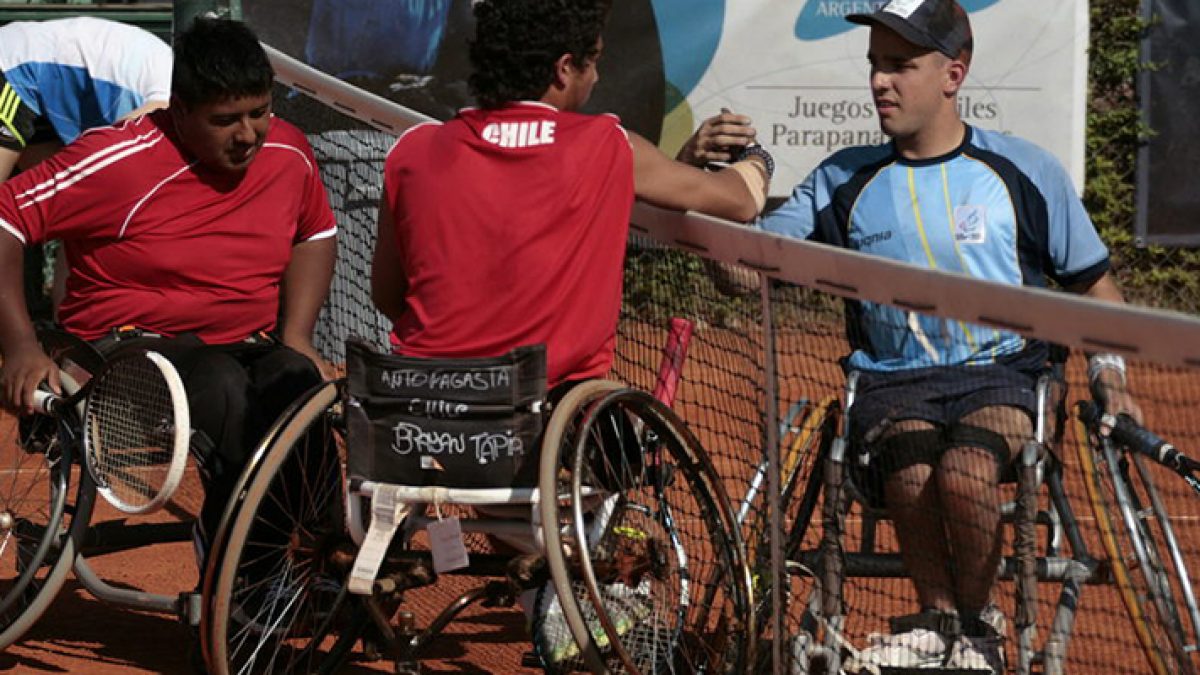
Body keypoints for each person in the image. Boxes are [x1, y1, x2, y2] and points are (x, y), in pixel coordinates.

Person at [737, 0, 1140, 671]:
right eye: (874, 66)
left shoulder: (1025, 171)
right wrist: (706, 202)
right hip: (893, 384)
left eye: (900, 65)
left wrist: (1111, 376)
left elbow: (1095, 287)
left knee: (963, 472)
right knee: (914, 463)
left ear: (954, 73)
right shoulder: (842, 179)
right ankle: (940, 623)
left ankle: (973, 631)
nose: (879, 82)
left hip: (1006, 375)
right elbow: (747, 271)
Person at [370, 0, 770, 667]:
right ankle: (566, 594)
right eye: (592, 64)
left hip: (422, 428)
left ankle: (543, 592)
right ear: (563, 69)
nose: (594, 78)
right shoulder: (605, 144)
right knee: (607, 432)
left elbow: (390, 296)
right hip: (548, 431)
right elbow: (741, 199)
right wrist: (753, 156)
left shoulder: (412, 151)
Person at [0, 18, 337, 564]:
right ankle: (246, 566)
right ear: (178, 112)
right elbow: (5, 218)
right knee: (222, 383)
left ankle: (322, 559)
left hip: (244, 346)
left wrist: (296, 333)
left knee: (297, 382)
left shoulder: (290, 152)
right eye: (225, 120)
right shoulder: (116, 159)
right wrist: (19, 345)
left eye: (259, 112)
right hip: (119, 360)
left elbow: (315, 232)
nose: (248, 134)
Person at [0, 17, 173, 182]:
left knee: (60, 198)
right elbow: (113, 147)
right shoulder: (165, 104)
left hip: (50, 91)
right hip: (13, 65)